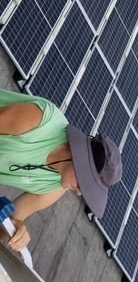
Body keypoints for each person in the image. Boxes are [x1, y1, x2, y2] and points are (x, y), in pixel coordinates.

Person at [0, 88, 122, 252]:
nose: (79, 193)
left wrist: (15, 229)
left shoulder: (55, 189)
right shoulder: (43, 121)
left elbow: (8, 219)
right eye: (83, 183)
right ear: (80, 159)